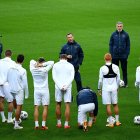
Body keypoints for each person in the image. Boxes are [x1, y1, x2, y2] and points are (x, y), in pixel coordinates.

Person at [30, 57, 54, 130]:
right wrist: (43, 65)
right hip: (44, 90)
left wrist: (37, 64)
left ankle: (36, 125)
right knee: (45, 107)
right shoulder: (45, 69)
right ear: (43, 63)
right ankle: (43, 125)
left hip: (36, 90)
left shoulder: (32, 69)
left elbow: (31, 60)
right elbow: (52, 62)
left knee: (36, 107)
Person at [98, 53, 121, 128]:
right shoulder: (116, 67)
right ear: (111, 58)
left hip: (105, 89)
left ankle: (111, 123)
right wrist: (117, 87)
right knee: (115, 104)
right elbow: (118, 80)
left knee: (108, 105)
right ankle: (117, 121)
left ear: (104, 59)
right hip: (114, 88)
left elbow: (100, 81)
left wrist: (99, 89)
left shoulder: (102, 68)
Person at [52, 54, 74, 129]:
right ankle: (66, 124)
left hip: (58, 87)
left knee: (58, 104)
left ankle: (59, 123)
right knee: (67, 104)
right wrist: (66, 86)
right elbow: (72, 77)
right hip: (67, 87)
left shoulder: (55, 65)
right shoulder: (70, 65)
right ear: (66, 58)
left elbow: (54, 77)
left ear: (60, 58)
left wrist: (60, 86)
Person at [7, 54, 29, 129]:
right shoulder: (23, 70)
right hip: (19, 90)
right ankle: (16, 124)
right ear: (23, 60)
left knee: (14, 102)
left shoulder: (10, 68)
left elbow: (8, 77)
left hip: (11, 89)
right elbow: (25, 83)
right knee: (19, 106)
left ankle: (17, 115)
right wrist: (26, 94)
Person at [109, 21, 130, 87]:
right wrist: (111, 54)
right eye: (118, 26)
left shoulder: (126, 35)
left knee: (124, 70)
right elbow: (110, 45)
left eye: (120, 26)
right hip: (115, 56)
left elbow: (128, 45)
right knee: (115, 70)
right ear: (116, 26)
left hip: (123, 56)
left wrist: (127, 54)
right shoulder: (113, 34)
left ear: (122, 26)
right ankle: (115, 83)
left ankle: (125, 83)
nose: (119, 27)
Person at [0, 50, 15, 123]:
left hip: (0, 83)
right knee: (10, 101)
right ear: (11, 54)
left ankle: (3, 118)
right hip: (7, 84)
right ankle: (9, 119)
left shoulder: (0, 61)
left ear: (4, 54)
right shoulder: (13, 63)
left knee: (0, 101)